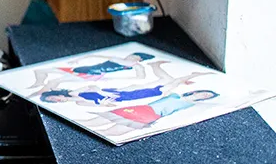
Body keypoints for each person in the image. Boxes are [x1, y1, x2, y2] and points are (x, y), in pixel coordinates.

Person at [35, 60, 212, 107]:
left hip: (120, 92)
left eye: (55, 98)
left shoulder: (75, 94)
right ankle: (182, 76)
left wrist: (102, 94)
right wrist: (104, 103)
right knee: (161, 86)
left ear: (57, 94)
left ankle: (186, 76)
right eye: (55, 102)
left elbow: (92, 88)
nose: (58, 101)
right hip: (123, 98)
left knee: (161, 87)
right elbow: (100, 105)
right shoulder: (78, 102)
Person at [76, 90, 219, 137]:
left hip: (153, 116)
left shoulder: (193, 105)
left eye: (207, 96)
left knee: (114, 132)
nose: (205, 96)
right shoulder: (175, 94)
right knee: (98, 122)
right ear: (197, 91)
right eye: (205, 93)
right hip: (144, 109)